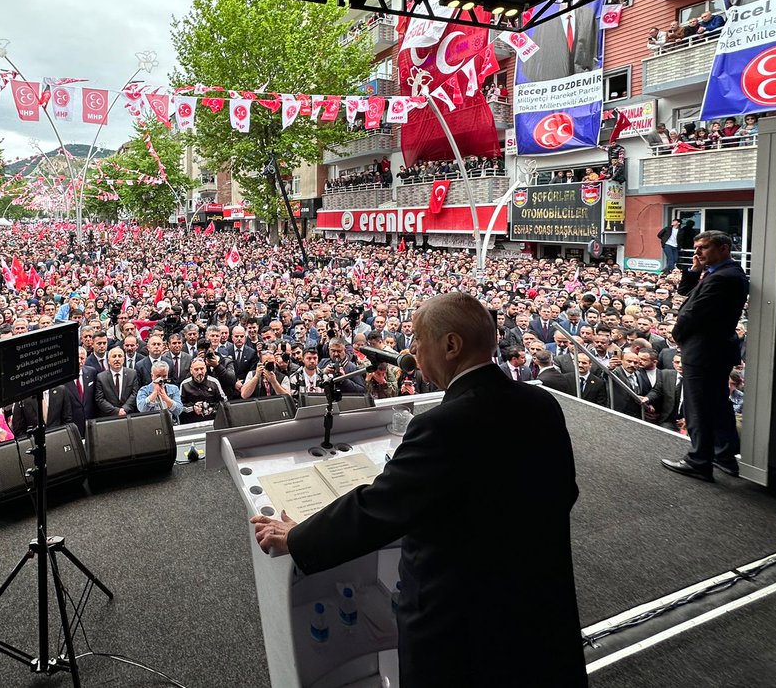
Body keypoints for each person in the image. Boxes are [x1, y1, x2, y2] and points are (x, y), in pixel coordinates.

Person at [250, 292, 585, 687]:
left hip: (462, 626)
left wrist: (300, 536)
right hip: (540, 608)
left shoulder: (443, 425)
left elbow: (377, 507)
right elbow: (565, 493)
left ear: (451, 345)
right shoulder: (542, 404)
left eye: (417, 339)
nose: (412, 350)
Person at [662, 231, 748, 482]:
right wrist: (695, 268)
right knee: (718, 403)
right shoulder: (720, 273)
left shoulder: (724, 277)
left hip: (705, 350)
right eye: (696, 247)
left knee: (698, 406)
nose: (697, 252)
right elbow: (685, 290)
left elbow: (693, 312)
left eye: (704, 247)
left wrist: (676, 334)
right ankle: (724, 456)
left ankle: (699, 461)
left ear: (723, 248)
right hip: (713, 349)